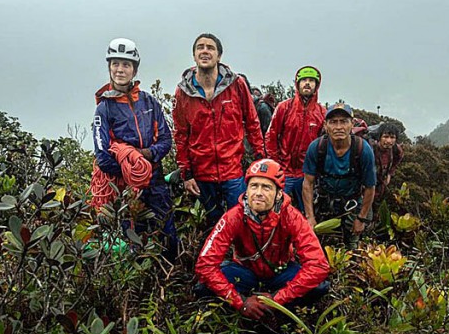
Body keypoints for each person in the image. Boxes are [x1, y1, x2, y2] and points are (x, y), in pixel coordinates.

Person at [195, 159, 330, 319]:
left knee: (319, 287)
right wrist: (240, 302)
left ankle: (281, 316)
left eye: (266, 187)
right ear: (246, 190)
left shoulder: (292, 217)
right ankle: (245, 311)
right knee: (203, 287)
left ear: (279, 194)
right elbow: (205, 265)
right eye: (254, 186)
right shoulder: (233, 217)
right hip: (244, 272)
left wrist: (277, 299)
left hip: (281, 272)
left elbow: (318, 266)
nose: (258, 193)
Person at [91, 37, 178, 259]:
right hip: (123, 187)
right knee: (131, 242)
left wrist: (144, 156)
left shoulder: (149, 102)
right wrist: (131, 170)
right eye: (115, 64)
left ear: (134, 70)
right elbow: (103, 157)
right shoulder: (104, 109)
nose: (120, 70)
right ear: (109, 67)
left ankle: (171, 274)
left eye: (126, 64)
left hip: (154, 180)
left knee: (168, 234)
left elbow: (165, 140)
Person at [173, 33, 265, 228]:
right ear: (194, 55)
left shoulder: (236, 84)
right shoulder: (183, 92)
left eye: (210, 48)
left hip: (232, 171)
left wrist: (259, 159)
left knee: (241, 222)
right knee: (211, 226)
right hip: (201, 173)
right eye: (200, 47)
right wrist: (186, 174)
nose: (205, 51)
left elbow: (252, 122)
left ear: (219, 56)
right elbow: (181, 134)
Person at [302, 103, 376, 248]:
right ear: (325, 125)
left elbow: (370, 187)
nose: (338, 127)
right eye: (333, 122)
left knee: (351, 244)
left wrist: (361, 218)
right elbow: (308, 183)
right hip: (324, 202)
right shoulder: (317, 148)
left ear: (352, 124)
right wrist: (310, 216)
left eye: (344, 121)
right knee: (318, 243)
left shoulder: (363, 150)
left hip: (352, 204)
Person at [265, 66, 326, 212]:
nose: (307, 83)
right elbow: (271, 136)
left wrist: (316, 169)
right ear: (297, 84)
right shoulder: (284, 107)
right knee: (276, 210)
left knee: (306, 212)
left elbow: (324, 145)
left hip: (307, 173)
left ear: (317, 85)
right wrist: (275, 164)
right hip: (283, 171)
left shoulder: (322, 113)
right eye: (304, 80)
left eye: (311, 80)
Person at [370, 122, 405, 204]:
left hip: (380, 188)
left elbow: (396, 162)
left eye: (392, 137)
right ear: (379, 137)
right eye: (385, 137)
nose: (389, 141)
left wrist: (389, 174)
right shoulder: (371, 149)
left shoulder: (396, 150)